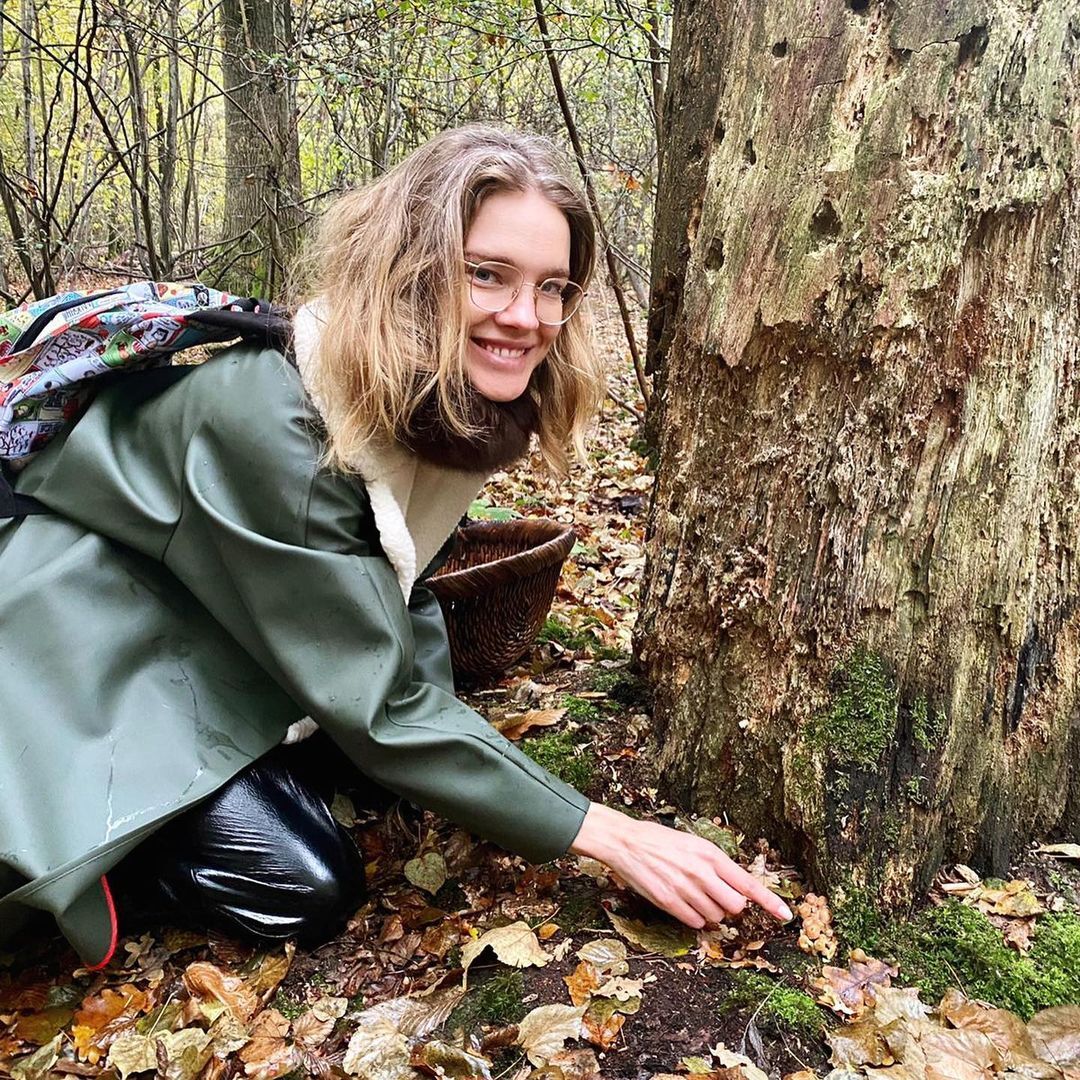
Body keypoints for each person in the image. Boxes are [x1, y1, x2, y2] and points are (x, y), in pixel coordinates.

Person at [0, 125, 790, 968]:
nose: (526, 317)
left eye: (553, 287)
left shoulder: (436, 400)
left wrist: (441, 750)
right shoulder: (292, 424)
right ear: (412, 270)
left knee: (353, 786)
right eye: (487, 274)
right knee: (302, 883)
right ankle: (92, 873)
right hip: (63, 646)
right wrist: (605, 833)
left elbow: (396, 577)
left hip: (190, 617)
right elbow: (377, 701)